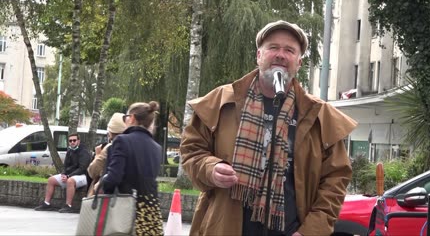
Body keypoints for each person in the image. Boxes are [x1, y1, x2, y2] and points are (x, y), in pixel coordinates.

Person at [180, 20, 358, 236]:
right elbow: (192, 151)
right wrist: (211, 169)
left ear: (299, 62)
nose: (280, 55)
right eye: (273, 47)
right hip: (226, 227)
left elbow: (336, 180)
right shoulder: (221, 102)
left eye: (289, 50)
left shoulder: (319, 115)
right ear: (259, 55)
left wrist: (311, 231)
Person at [101, 101, 164, 236]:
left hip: (126, 209)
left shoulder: (122, 140)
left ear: (132, 118)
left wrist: (102, 184)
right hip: (151, 211)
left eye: (126, 117)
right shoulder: (157, 148)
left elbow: (114, 177)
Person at [35, 133, 91, 213]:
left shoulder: (84, 152)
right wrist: (64, 174)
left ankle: (68, 206)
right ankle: (46, 204)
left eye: (74, 140)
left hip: (83, 176)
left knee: (70, 181)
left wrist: (68, 176)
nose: (72, 142)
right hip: (70, 175)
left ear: (78, 141)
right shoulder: (70, 151)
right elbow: (65, 166)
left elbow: (82, 168)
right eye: (70, 141)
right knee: (51, 180)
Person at [86, 112, 126, 196]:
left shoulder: (109, 148)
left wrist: (97, 155)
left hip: (107, 196)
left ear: (110, 133)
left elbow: (92, 172)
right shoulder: (132, 145)